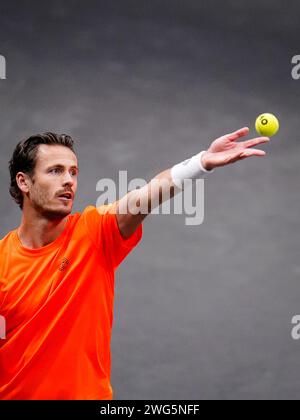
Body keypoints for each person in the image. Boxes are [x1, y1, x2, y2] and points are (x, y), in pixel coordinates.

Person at [0, 128, 269, 400]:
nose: (69, 180)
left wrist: (201, 162)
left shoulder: (95, 232)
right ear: (24, 182)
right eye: (55, 171)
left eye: (73, 172)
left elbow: (148, 194)